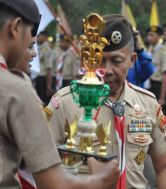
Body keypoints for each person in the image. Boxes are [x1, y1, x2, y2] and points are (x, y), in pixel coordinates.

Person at [47, 14, 166, 189]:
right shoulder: (65, 103)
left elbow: (165, 167)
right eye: (100, 60)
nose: (107, 70)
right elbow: (43, 166)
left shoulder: (147, 103)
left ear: (132, 60)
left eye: (117, 61)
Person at [0, 0, 119, 188]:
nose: (32, 53)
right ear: (15, 28)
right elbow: (53, 183)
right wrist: (102, 179)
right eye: (30, 41)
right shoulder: (15, 89)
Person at [146, 25, 166, 105]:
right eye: (148, 35)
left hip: (158, 85)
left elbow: (165, 74)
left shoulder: (163, 51)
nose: (149, 37)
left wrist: (162, 97)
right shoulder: (149, 49)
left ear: (159, 37)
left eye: (152, 35)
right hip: (149, 84)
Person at [35, 30, 54, 105]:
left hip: (43, 79)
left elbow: (48, 68)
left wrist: (48, 86)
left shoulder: (46, 49)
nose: (38, 37)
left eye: (40, 36)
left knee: (42, 102)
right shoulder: (37, 47)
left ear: (45, 37)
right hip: (37, 78)